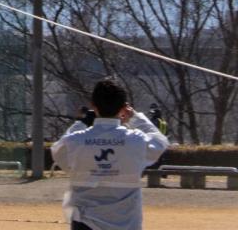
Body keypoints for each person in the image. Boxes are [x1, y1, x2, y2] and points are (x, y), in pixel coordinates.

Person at [52, 79, 168, 230]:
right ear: (123, 107)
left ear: (93, 106)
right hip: (126, 223)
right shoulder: (135, 140)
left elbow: (58, 151)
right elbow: (160, 142)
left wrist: (83, 122)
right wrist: (135, 118)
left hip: (85, 222)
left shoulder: (76, 140)